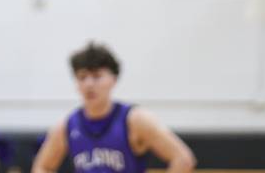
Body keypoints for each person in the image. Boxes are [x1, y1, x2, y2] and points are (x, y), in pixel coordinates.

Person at [32, 43, 196, 173]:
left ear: (113, 79)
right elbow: (42, 167)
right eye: (82, 77)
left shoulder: (135, 119)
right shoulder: (67, 125)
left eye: (97, 76)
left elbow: (183, 159)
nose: (89, 84)